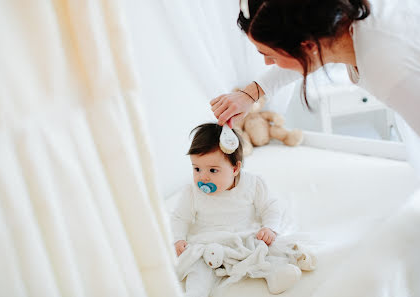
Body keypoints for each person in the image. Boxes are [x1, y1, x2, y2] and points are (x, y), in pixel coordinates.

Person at [210, 0, 420, 140]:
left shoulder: (388, 68)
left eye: (270, 55)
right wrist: (249, 94)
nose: (267, 63)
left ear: (308, 46)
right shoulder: (338, 25)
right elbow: (302, 58)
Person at [170, 123, 315, 297]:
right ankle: (196, 292)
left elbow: (270, 206)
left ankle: (275, 275)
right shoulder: (192, 192)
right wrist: (178, 239)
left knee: (261, 252)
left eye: (213, 170)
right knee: (197, 265)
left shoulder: (252, 184)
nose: (203, 177)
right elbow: (179, 217)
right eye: (197, 168)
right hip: (208, 242)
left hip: (243, 237)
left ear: (235, 168)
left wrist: (269, 227)